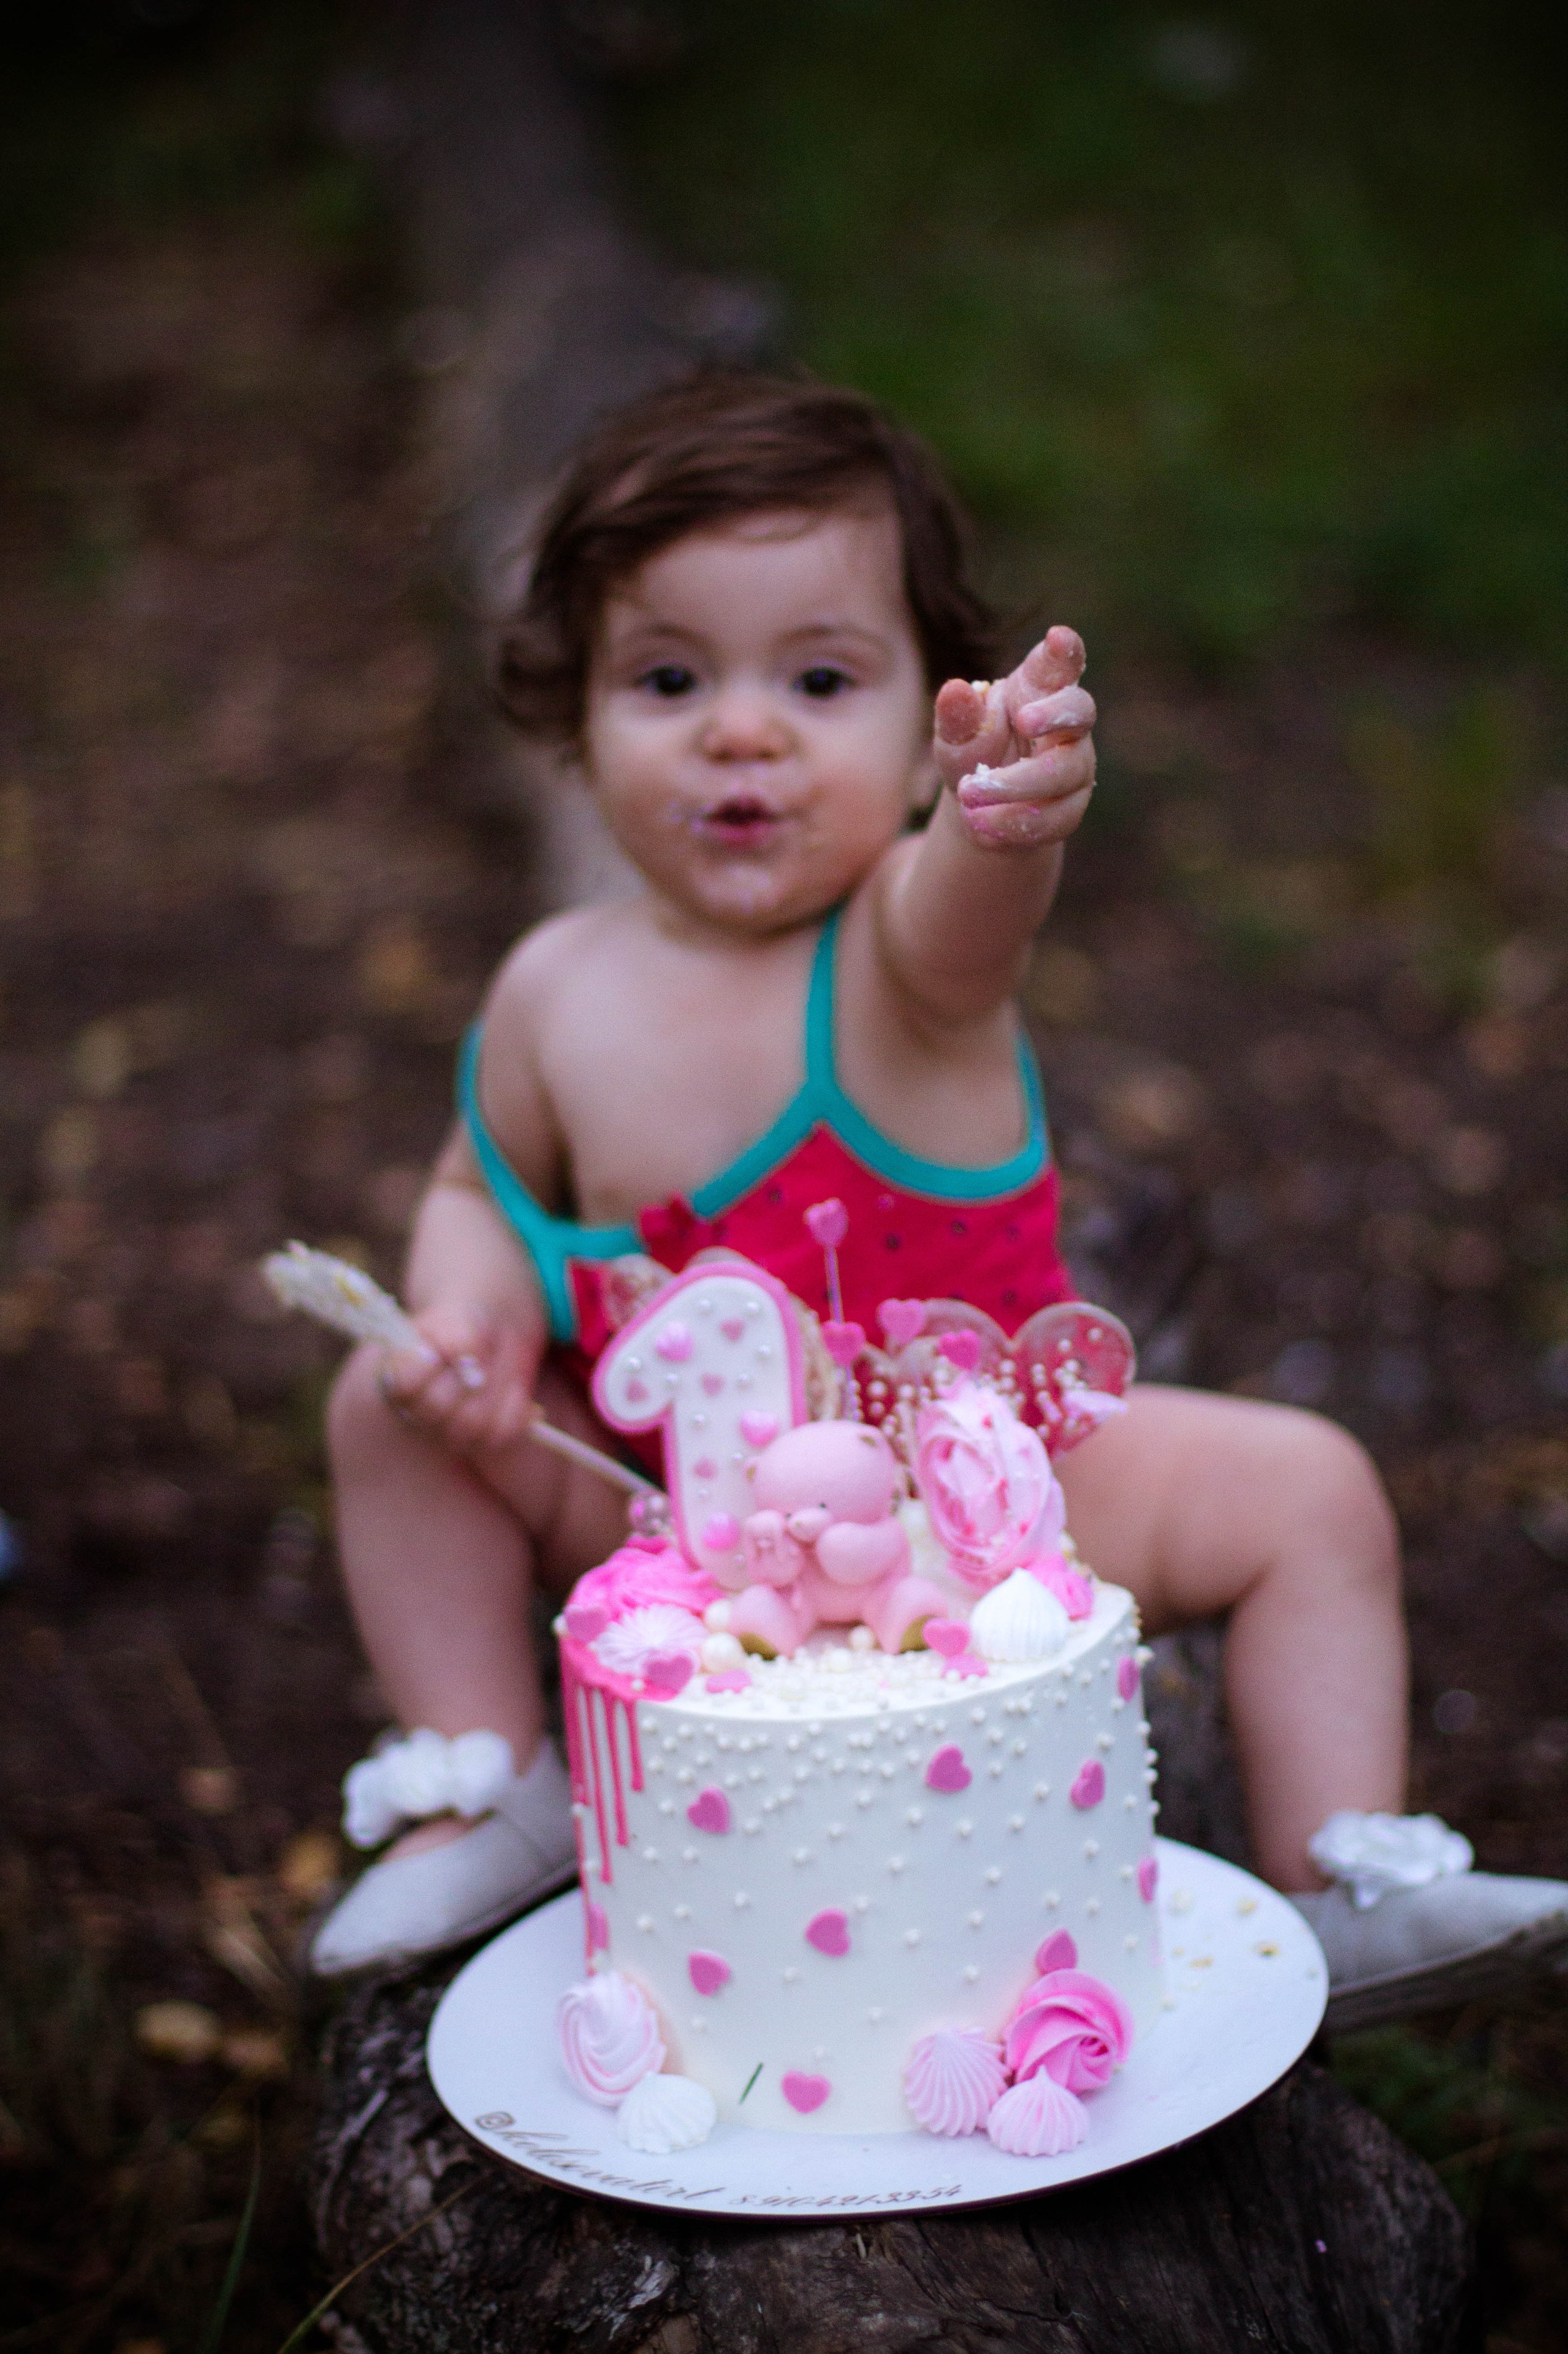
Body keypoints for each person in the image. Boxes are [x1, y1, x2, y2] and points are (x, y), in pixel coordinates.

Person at [312, 373, 1567, 2023]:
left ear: (922, 728)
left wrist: (1006, 820)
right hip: (675, 1525)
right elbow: (479, 1182)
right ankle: (485, 1785)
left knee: (1314, 1491)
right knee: (377, 1409)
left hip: (984, 1501)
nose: (738, 728)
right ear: (574, 722)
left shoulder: (900, 956)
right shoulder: (556, 985)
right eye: (667, 677)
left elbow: (973, 916)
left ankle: (1338, 1883)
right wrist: (465, 1308)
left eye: (819, 678)